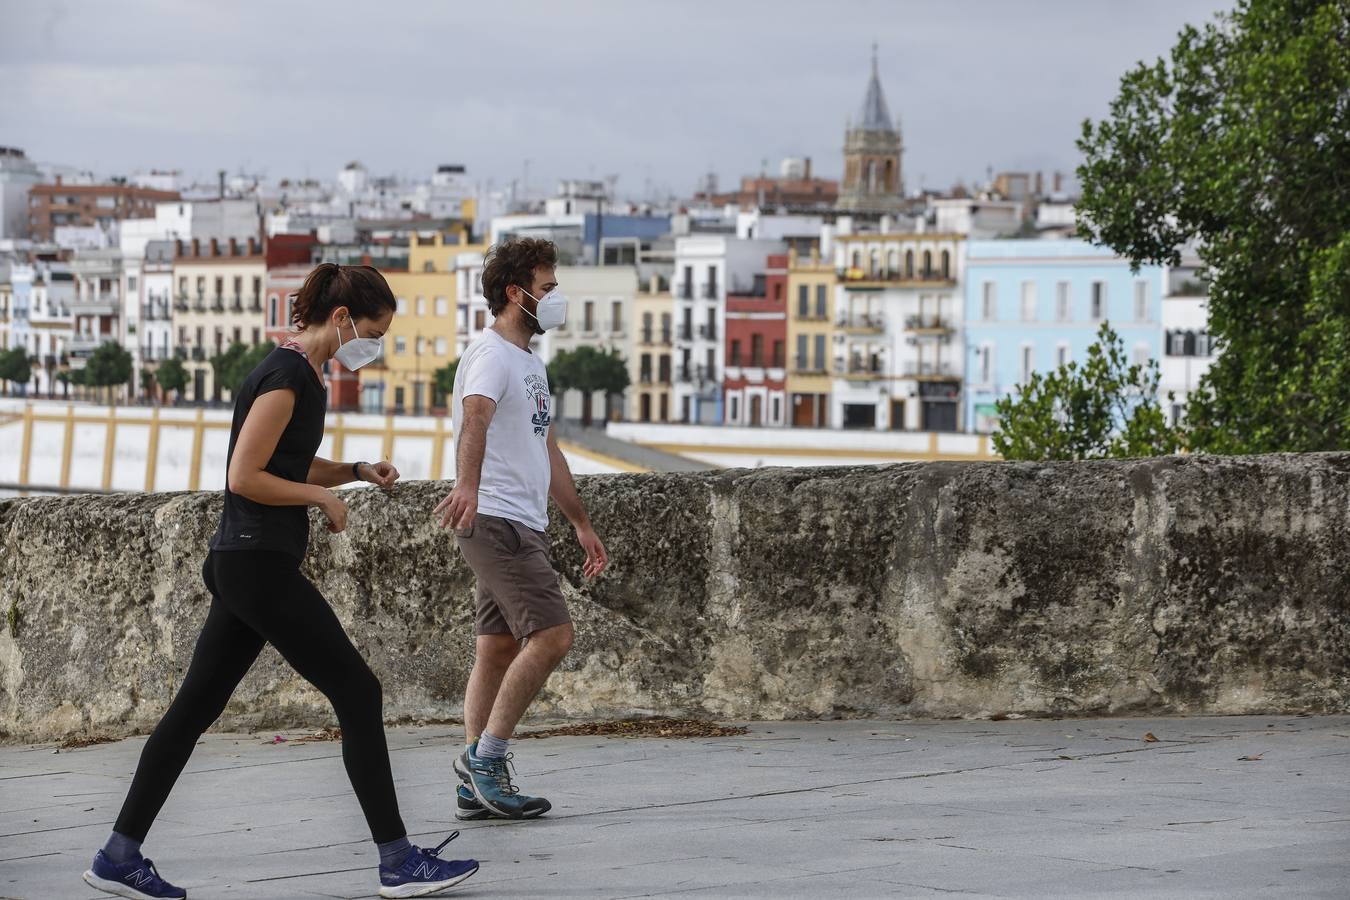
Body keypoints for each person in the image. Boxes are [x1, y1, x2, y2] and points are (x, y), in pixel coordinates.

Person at [83, 263, 478, 900]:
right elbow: (245, 475)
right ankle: (398, 861)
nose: (373, 349)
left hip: (246, 563)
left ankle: (118, 854)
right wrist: (317, 501)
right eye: (373, 332)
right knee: (357, 691)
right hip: (256, 563)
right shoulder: (289, 375)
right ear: (344, 319)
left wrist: (349, 470)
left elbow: (285, 459)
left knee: (192, 713)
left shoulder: (294, 370)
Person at [435, 237, 608, 820]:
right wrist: (467, 487)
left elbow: (546, 449)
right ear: (516, 293)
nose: (554, 298)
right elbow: (474, 418)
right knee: (553, 635)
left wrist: (580, 522)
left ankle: (470, 783)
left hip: (522, 518)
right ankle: (487, 760)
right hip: (496, 517)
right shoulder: (491, 355)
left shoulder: (529, 362)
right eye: (547, 288)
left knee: (496, 647)